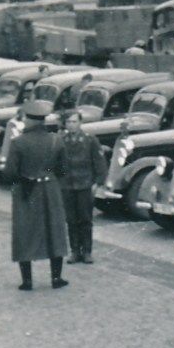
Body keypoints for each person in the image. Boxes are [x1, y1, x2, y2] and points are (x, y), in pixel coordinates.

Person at [4, 100, 70, 290]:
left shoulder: (18, 142)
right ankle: (56, 278)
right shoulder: (56, 140)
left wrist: (24, 177)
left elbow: (9, 173)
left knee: (24, 232)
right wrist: (48, 173)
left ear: (29, 120)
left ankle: (27, 281)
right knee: (54, 231)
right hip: (50, 189)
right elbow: (63, 170)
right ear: (43, 120)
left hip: (26, 192)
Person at [57, 110, 108, 264]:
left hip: (85, 185)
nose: (71, 125)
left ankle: (87, 251)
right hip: (67, 186)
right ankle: (74, 251)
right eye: (68, 122)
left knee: (85, 219)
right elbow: (56, 163)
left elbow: (99, 162)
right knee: (71, 220)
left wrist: (98, 183)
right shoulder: (61, 140)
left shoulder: (90, 140)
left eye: (74, 121)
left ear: (80, 123)